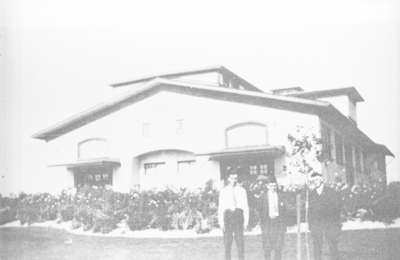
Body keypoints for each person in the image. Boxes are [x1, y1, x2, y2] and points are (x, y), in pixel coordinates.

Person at [308, 172, 342, 260]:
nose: (315, 182)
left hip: (330, 223)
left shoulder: (331, 192)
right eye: (313, 180)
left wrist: (336, 224)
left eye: (317, 180)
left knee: (332, 245)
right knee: (317, 246)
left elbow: (336, 208)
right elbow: (310, 211)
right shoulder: (311, 194)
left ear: (321, 180)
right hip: (317, 224)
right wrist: (311, 224)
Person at [254, 175, 290, 260]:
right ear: (267, 186)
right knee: (267, 247)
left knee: (278, 247)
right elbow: (258, 211)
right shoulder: (263, 197)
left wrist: (283, 225)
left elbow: (285, 211)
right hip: (267, 224)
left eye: (274, 186)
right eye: (271, 186)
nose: (273, 188)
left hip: (278, 223)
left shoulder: (281, 196)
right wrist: (262, 223)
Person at [218, 170, 249, 260]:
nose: (234, 180)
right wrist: (221, 223)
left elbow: (245, 207)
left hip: (238, 216)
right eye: (232, 178)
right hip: (228, 217)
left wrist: (246, 222)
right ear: (228, 179)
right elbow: (221, 208)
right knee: (227, 244)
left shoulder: (242, 191)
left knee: (240, 243)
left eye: (235, 178)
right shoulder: (223, 191)